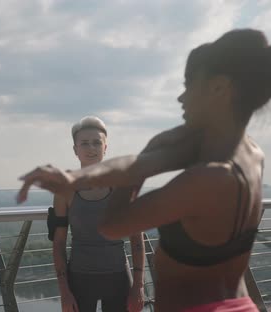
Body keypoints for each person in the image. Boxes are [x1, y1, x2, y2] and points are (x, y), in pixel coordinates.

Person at [17, 28, 271, 312]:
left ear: (218, 89)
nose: (181, 98)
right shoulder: (249, 153)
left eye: (189, 85)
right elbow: (139, 163)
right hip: (237, 302)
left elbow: (114, 224)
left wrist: (149, 153)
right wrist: (73, 178)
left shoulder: (208, 178)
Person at [50, 116, 145, 312]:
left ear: (105, 147)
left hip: (118, 277)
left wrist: (138, 286)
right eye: (84, 143)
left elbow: (137, 238)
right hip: (79, 279)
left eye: (96, 142)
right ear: (75, 149)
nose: (91, 148)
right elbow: (58, 243)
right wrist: (65, 293)